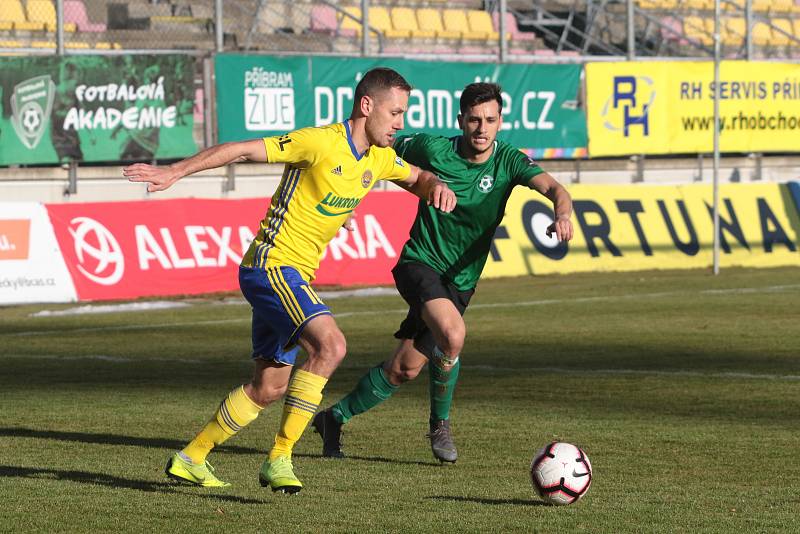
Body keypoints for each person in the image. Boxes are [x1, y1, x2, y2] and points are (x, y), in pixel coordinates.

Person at [123, 67, 456, 493]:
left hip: (293, 277)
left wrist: (436, 187)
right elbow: (241, 150)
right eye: (395, 113)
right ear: (366, 106)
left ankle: (191, 457)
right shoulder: (319, 141)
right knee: (331, 345)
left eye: (404, 114)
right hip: (271, 267)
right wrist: (175, 171)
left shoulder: (378, 158)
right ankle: (280, 458)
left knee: (268, 386)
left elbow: (418, 177)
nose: (400, 123)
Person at [312, 82, 573, 463]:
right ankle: (440, 425)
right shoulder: (433, 148)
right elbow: (367, 149)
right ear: (460, 121)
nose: (482, 128)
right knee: (452, 334)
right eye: (473, 120)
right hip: (419, 264)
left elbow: (554, 188)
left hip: (460, 282)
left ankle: (333, 418)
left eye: (490, 120)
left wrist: (562, 214)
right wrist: (344, 199)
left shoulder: (510, 162)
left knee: (404, 369)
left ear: (500, 122)